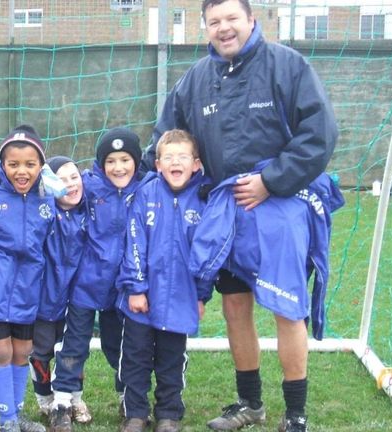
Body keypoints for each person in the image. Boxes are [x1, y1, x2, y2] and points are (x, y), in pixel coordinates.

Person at [143, 1, 337, 431]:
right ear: (206, 28)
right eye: (214, 22)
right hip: (225, 213)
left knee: (287, 310)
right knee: (234, 306)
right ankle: (250, 404)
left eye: (232, 18)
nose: (224, 28)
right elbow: (165, 139)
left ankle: (296, 414)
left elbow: (319, 133)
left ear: (252, 20)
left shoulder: (288, 66)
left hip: (279, 208)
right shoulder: (195, 80)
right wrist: (118, 176)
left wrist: (272, 180)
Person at [49, 126, 146, 432]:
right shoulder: (88, 186)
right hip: (86, 286)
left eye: (125, 160)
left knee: (119, 347)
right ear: (101, 164)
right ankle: (61, 403)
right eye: (111, 161)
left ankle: (127, 400)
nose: (118, 167)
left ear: (137, 161)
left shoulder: (147, 187)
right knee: (74, 345)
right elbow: (53, 185)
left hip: (123, 289)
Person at [116, 130, 212, 432]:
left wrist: (200, 296)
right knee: (136, 358)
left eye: (182, 157)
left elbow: (208, 254)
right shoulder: (146, 193)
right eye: (169, 157)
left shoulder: (203, 199)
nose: (175, 162)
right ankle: (136, 413)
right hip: (142, 300)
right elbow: (134, 242)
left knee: (172, 360)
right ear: (158, 164)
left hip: (181, 300)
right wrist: (136, 288)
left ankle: (169, 413)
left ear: (195, 164)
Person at [0, 125, 55, 432]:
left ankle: (19, 414)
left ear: (40, 167)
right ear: (2, 165)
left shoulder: (47, 195)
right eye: (13, 164)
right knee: (3, 351)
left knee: (23, 352)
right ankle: (6, 419)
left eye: (30, 164)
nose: (22, 171)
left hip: (27, 287)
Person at [28, 155, 92, 424]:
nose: (70, 184)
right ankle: (45, 399)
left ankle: (74, 399)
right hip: (44, 299)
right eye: (61, 180)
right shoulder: (44, 213)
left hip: (76, 297)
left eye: (74, 177)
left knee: (74, 349)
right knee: (41, 352)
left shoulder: (89, 212)